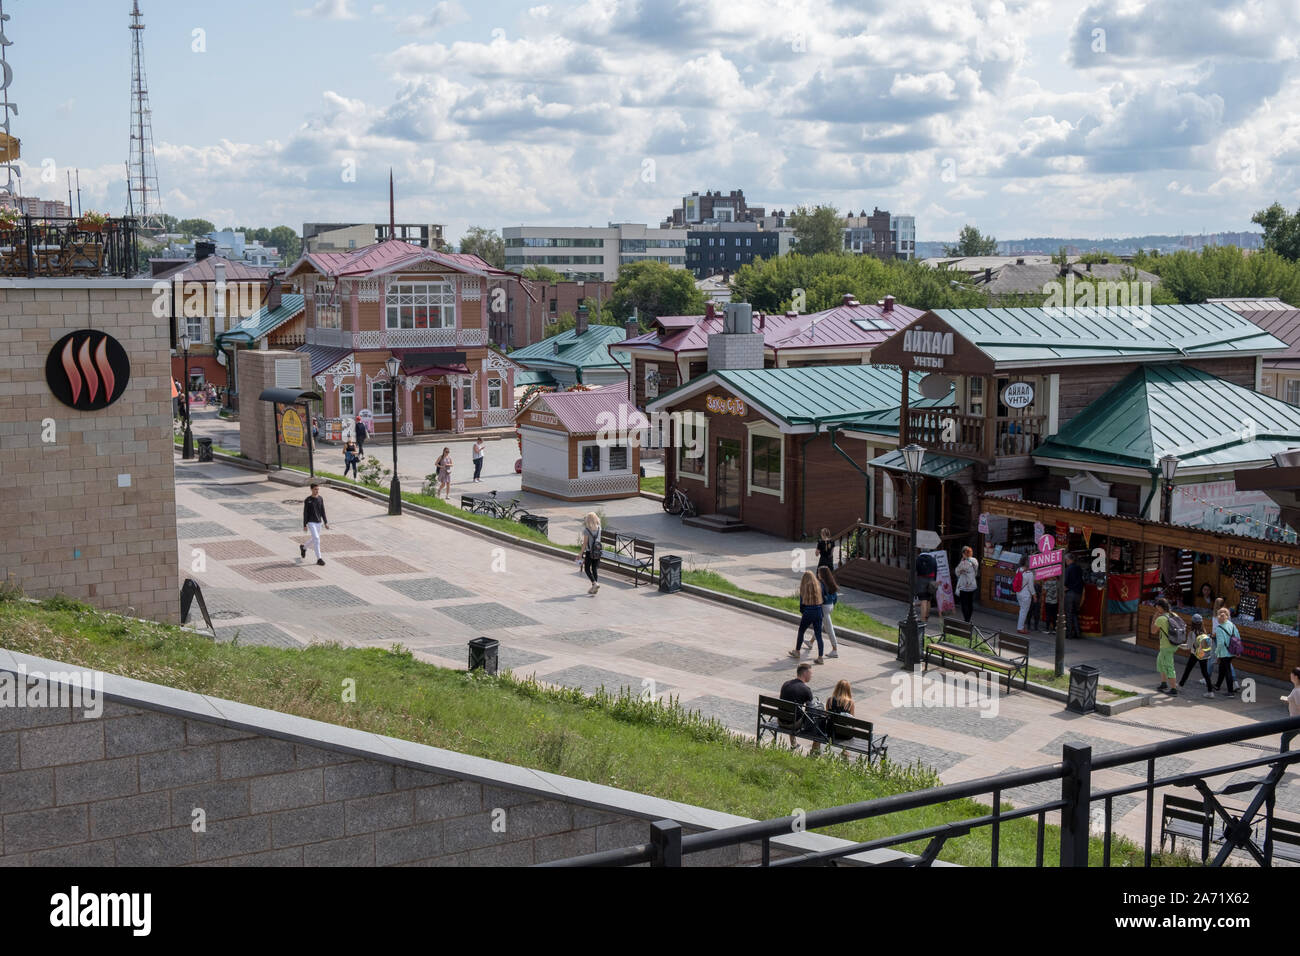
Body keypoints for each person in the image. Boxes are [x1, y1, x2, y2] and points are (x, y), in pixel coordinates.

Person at [788, 571, 825, 665]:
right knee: (819, 634)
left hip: (808, 611)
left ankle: (797, 651)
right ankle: (820, 657)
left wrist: (804, 612)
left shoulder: (803, 589)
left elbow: (802, 605)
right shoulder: (818, 586)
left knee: (801, 631)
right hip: (818, 611)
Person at [779, 663, 817, 749]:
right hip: (793, 724)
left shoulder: (786, 684)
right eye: (810, 673)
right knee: (807, 716)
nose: (811, 676)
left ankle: (794, 743)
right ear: (805, 673)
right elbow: (810, 711)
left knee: (792, 712)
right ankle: (815, 750)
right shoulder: (806, 690)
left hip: (780, 720)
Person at [1177, 613, 1215, 696]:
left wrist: (1178, 645)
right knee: (1205, 672)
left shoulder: (1192, 633)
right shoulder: (1204, 632)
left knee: (1188, 670)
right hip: (1204, 654)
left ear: (1192, 623)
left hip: (1194, 654)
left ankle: (1180, 686)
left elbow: (1188, 646)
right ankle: (1210, 691)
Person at [1150, 598, 1180, 695]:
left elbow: (1153, 631)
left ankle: (1174, 689)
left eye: (1157, 607)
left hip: (1166, 647)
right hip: (1174, 644)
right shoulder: (1174, 615)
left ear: (1160, 607)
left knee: (1168, 667)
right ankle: (1164, 684)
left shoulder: (1161, 619)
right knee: (1160, 662)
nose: (1156, 609)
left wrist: (1154, 618)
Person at [1213, 607, 1239, 698]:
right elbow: (1238, 637)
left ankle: (1230, 691)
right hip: (1232, 651)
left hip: (1224, 652)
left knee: (1227, 670)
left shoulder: (1219, 629)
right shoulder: (1232, 625)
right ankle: (1217, 685)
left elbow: (1220, 644)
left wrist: (1216, 653)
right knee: (1222, 668)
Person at [300, 483, 329, 567]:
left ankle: (304, 547)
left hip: (318, 522)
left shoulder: (320, 498)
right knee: (316, 538)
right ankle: (319, 559)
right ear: (311, 489)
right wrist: (304, 525)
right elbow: (305, 513)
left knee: (314, 539)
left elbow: (323, 511)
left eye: (318, 489)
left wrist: (326, 522)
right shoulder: (308, 500)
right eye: (315, 489)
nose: (317, 491)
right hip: (311, 522)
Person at [816, 566, 840, 658]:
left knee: (829, 628)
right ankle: (810, 642)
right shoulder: (831, 582)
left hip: (824, 607)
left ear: (822, 574)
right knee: (821, 624)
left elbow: (819, 597)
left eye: (819, 573)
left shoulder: (821, 584)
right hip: (830, 605)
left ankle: (835, 650)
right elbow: (835, 597)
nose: (818, 574)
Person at [579, 512, 602, 594]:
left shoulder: (587, 530)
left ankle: (594, 583)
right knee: (594, 569)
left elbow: (585, 543)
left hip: (590, 552)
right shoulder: (599, 528)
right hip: (597, 552)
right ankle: (594, 588)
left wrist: (580, 553)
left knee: (587, 569)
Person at [1063, 552, 1084, 639]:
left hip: (1070, 594)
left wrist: (1064, 589)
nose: (1065, 562)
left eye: (1065, 560)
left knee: (1068, 614)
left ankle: (1069, 634)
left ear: (1068, 560)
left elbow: (1065, 583)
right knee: (1075, 613)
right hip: (1078, 594)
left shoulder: (1068, 569)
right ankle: (1077, 633)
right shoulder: (1079, 568)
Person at [954, 546, 979, 623]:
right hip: (972, 585)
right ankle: (969, 618)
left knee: (964, 603)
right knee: (970, 603)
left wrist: (961, 563)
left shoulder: (964, 563)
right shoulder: (974, 561)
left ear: (963, 554)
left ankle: (966, 620)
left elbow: (957, 572)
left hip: (964, 585)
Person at [915, 550, 938, 625]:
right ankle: (927, 617)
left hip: (921, 580)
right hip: (931, 580)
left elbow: (915, 571)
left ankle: (922, 620)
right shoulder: (933, 559)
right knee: (929, 599)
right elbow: (936, 571)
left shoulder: (918, 559)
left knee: (923, 600)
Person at [1014, 556, 1036, 634]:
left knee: (1022, 610)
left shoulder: (1018, 570)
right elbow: (1031, 586)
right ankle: (1020, 628)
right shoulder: (1029, 573)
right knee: (1023, 611)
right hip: (1026, 594)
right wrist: (1034, 595)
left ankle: (1021, 626)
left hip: (1018, 592)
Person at [1282, 667, 1300, 753]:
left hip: (1296, 721)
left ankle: (1282, 761)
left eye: (1291, 674)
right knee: (1285, 738)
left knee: (1285, 738)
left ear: (1296, 677)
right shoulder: (1296, 688)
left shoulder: (1297, 691)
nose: (1290, 675)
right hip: (1295, 720)